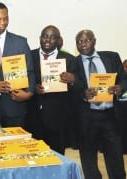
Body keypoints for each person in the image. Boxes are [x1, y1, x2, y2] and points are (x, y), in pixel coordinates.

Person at [74, 29, 126, 179]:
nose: (83, 44)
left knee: (115, 155)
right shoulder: (73, 63)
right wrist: (83, 94)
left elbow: (124, 79)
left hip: (109, 115)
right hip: (86, 117)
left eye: (87, 40)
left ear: (94, 41)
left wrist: (120, 87)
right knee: (88, 159)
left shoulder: (112, 57)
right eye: (79, 41)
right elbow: (71, 90)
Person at [28, 25, 77, 154]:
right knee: (34, 157)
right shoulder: (28, 56)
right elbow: (23, 81)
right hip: (32, 118)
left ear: (58, 40)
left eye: (52, 37)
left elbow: (77, 89)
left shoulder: (70, 59)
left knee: (57, 157)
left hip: (58, 119)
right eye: (44, 36)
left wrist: (72, 81)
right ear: (40, 38)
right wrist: (33, 88)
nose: (47, 40)